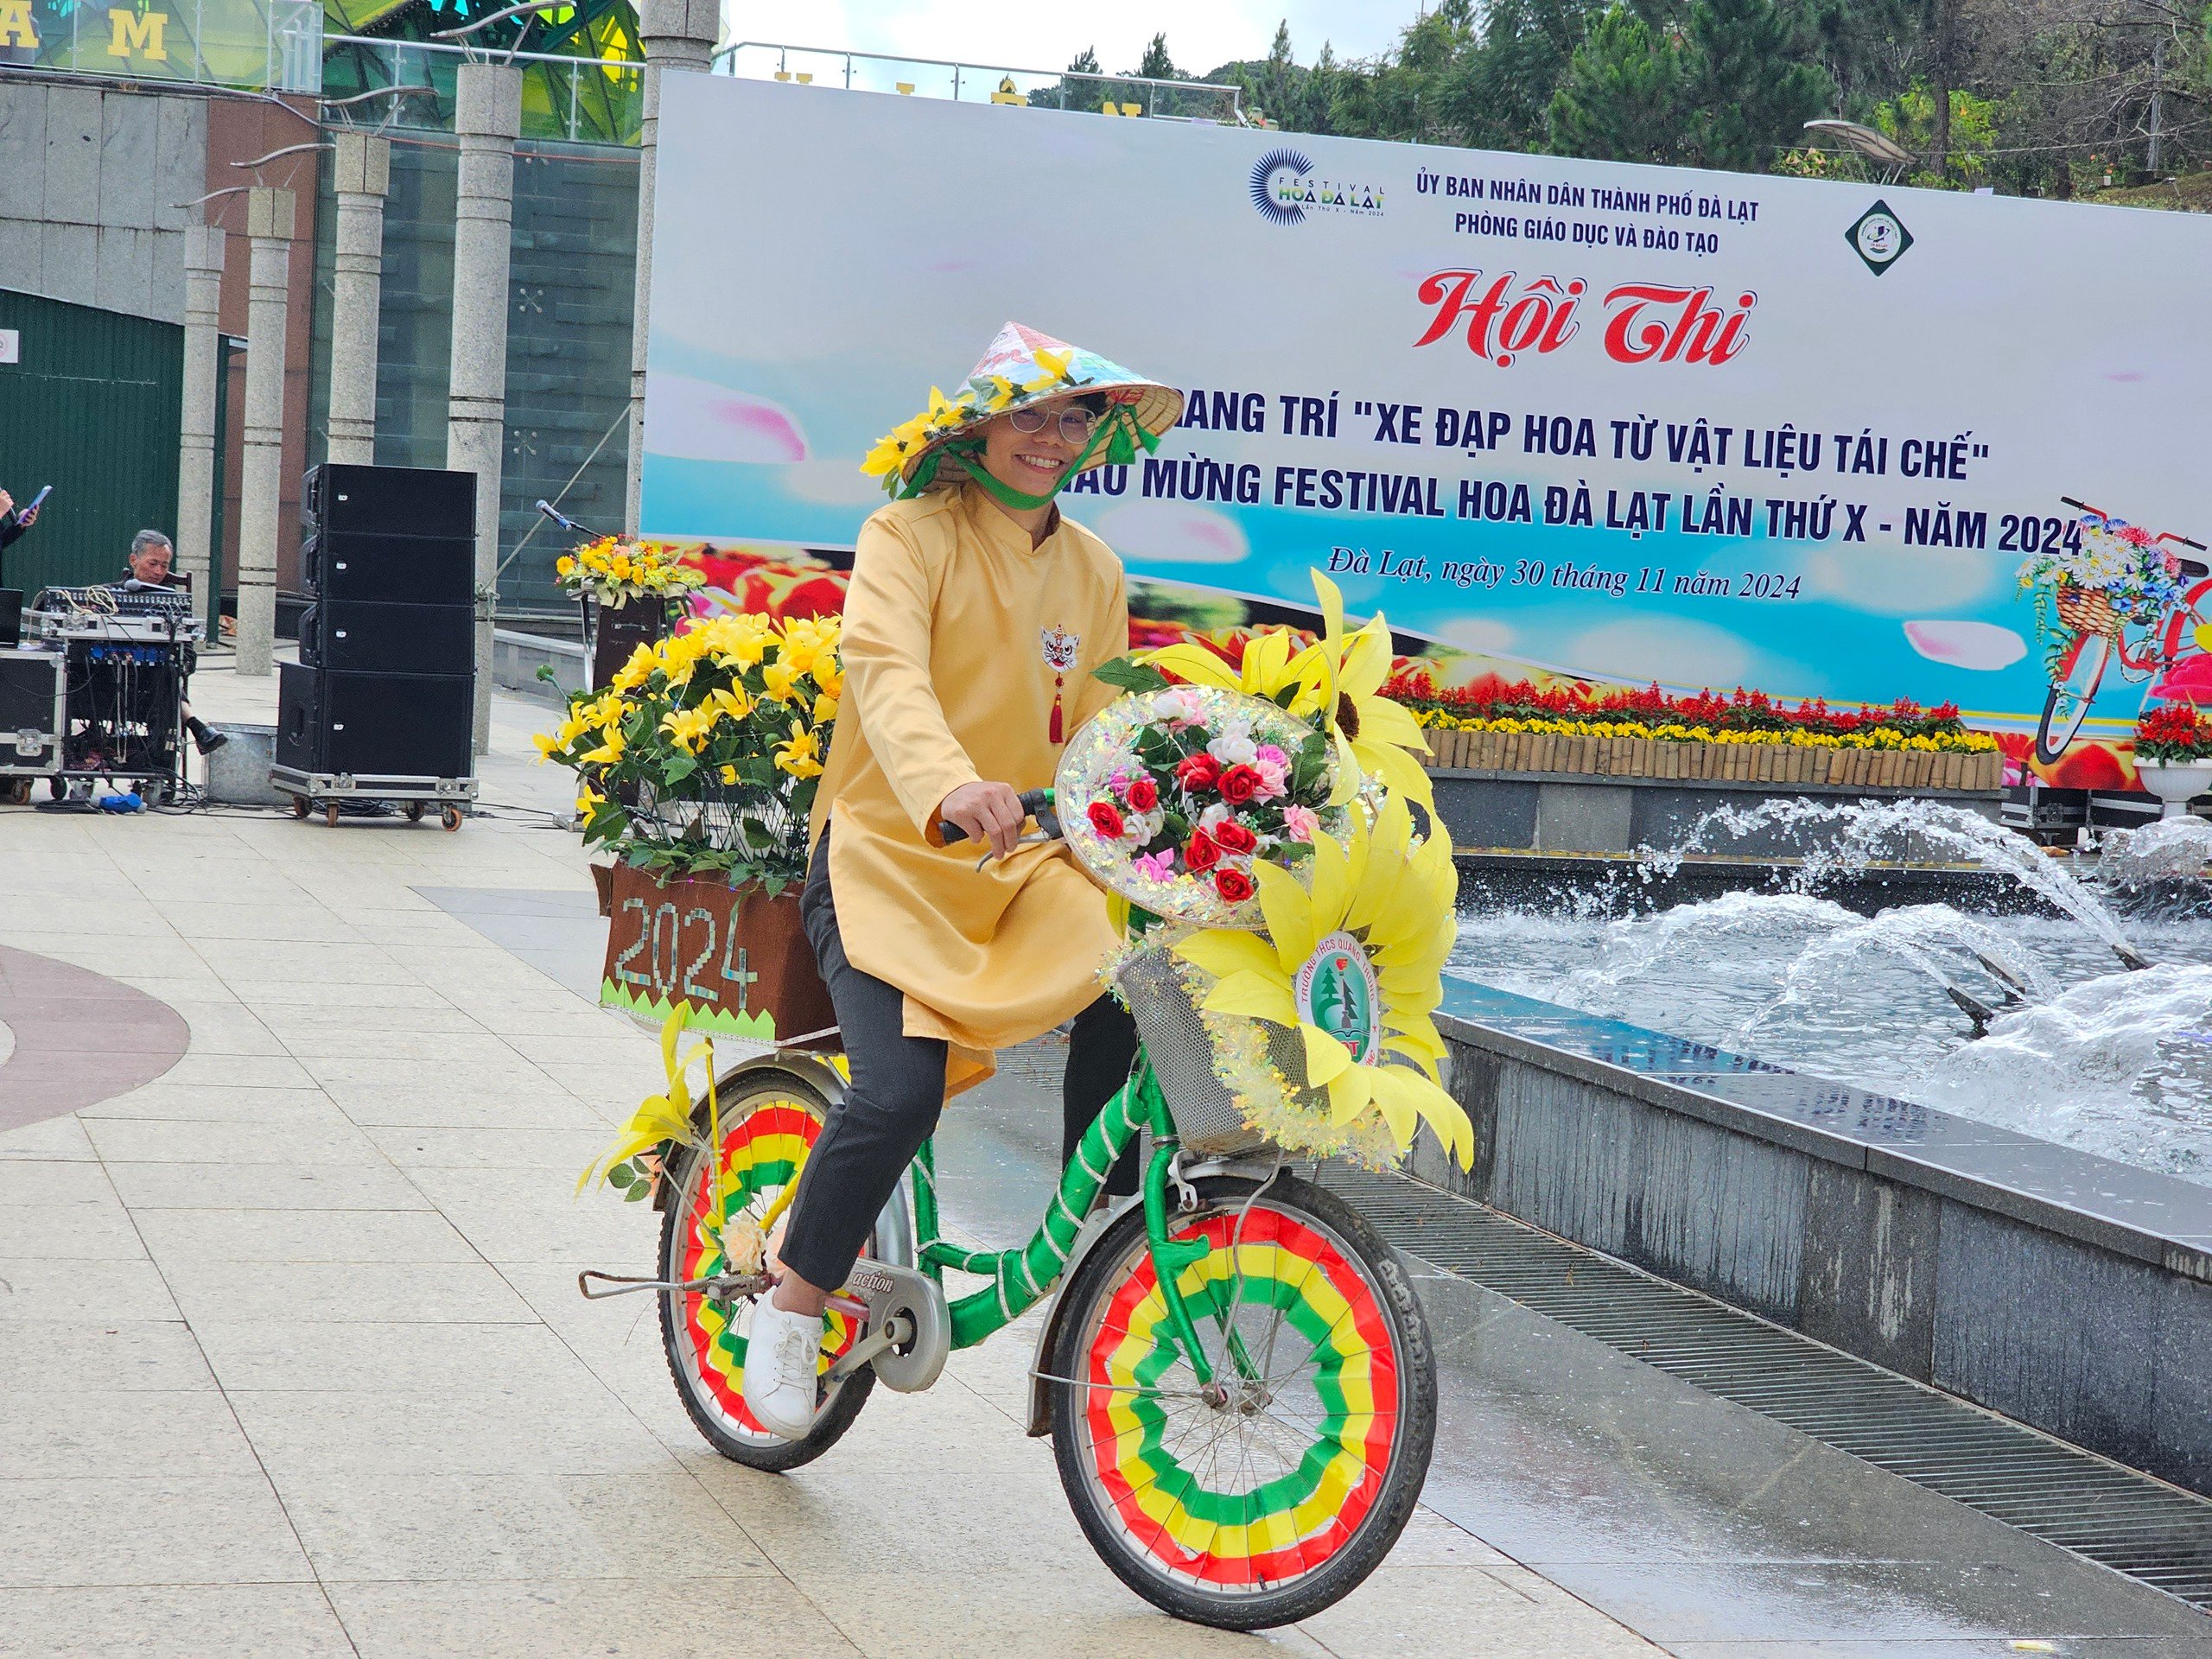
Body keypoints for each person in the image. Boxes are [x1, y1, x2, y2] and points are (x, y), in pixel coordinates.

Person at [742, 323, 1184, 1439]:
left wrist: (1165, 819)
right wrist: (949, 786)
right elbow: (885, 674)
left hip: (1019, 862)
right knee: (897, 1093)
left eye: (1074, 416)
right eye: (1030, 414)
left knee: (1151, 960)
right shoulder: (907, 534)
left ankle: (1109, 1234)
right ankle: (791, 1309)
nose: (1051, 437)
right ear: (980, 426)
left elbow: (1099, 734)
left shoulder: (1094, 567)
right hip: (889, 858)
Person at [117, 530, 226, 756]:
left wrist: (181, 664)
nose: (158, 572)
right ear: (133, 560)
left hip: (151, 685)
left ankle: (158, 762)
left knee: (168, 671)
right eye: (153, 563)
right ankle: (196, 725)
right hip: (108, 679)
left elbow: (189, 656)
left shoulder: (175, 605)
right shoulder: (109, 594)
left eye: (164, 566)